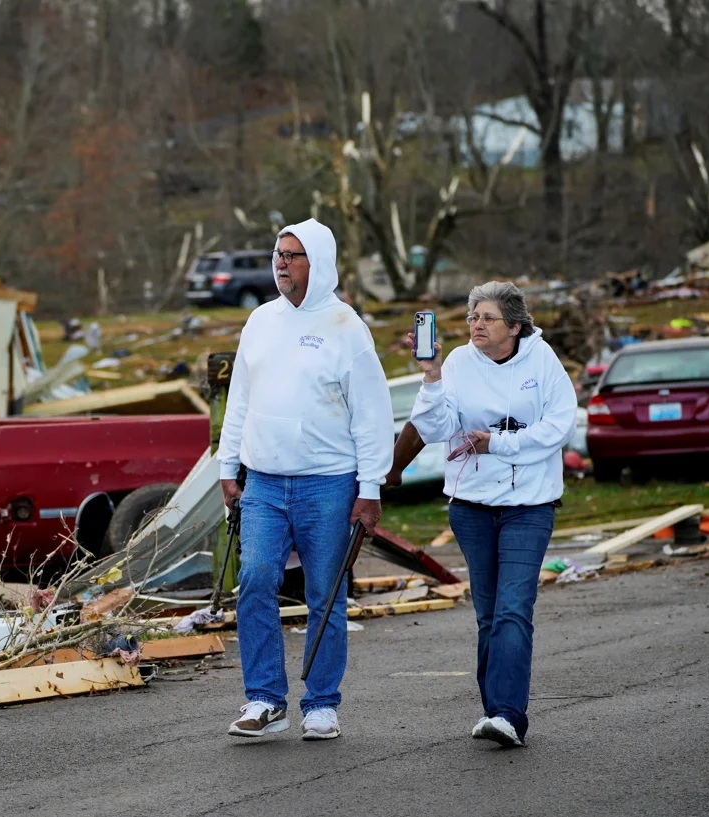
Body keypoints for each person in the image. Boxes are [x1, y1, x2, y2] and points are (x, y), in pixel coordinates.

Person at [217, 218, 393, 741]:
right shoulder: (260, 321)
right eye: (278, 254)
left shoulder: (346, 327)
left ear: (317, 263)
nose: (281, 263)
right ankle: (265, 700)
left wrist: (370, 488)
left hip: (329, 483)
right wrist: (228, 467)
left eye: (292, 255)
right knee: (254, 581)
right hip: (265, 483)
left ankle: (321, 703)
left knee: (325, 594)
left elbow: (372, 415)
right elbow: (239, 401)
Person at [407, 281, 576, 748]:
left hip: (529, 507)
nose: (477, 325)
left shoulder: (542, 360)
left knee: (513, 609)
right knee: (488, 615)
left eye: (487, 318)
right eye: (472, 317)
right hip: (473, 507)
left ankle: (508, 715)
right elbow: (436, 427)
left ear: (515, 326)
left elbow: (559, 425)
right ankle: (494, 711)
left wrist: (499, 442)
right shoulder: (459, 362)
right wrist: (431, 375)